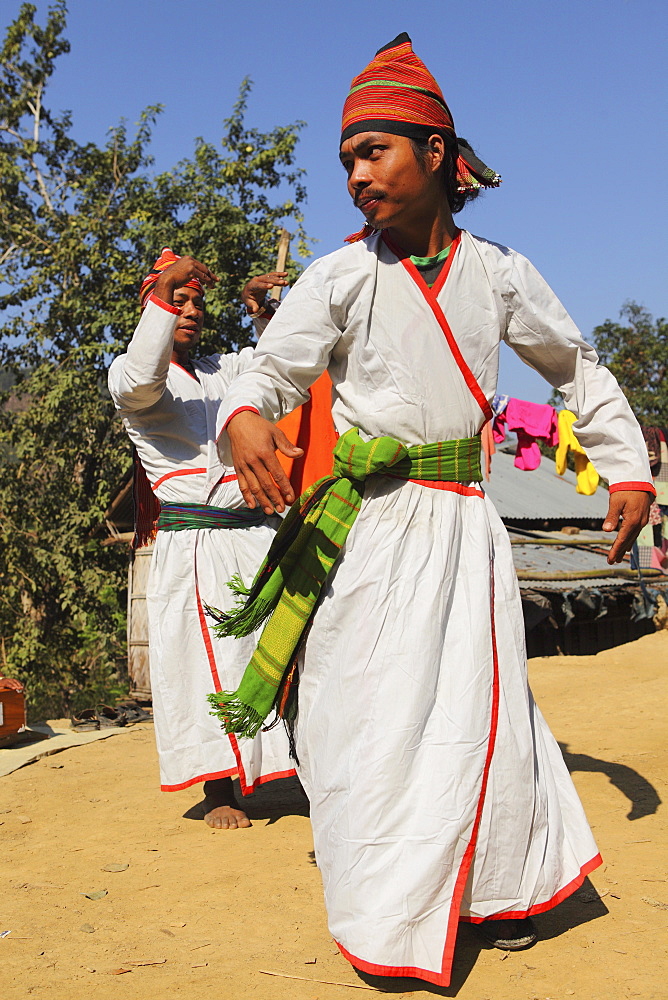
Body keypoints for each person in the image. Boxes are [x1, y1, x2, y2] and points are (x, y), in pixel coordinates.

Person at [212, 33, 655, 984]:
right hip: (369, 533)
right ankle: (384, 903)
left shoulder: (501, 274)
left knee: (472, 712)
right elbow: (267, 369)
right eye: (346, 162)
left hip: (460, 523)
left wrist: (624, 468)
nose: (357, 176)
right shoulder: (337, 277)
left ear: (440, 156)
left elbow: (571, 370)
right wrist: (246, 415)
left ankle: (489, 892)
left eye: (374, 152)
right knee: (358, 712)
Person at [108, 248, 295, 830]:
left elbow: (280, 381)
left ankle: (299, 768)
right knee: (203, 665)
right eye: (177, 302)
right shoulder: (128, 374)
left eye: (196, 302)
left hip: (256, 534)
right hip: (194, 545)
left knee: (280, 652)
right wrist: (165, 284)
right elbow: (143, 378)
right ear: (154, 308)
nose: (189, 310)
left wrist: (264, 312)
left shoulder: (224, 370)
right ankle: (218, 787)